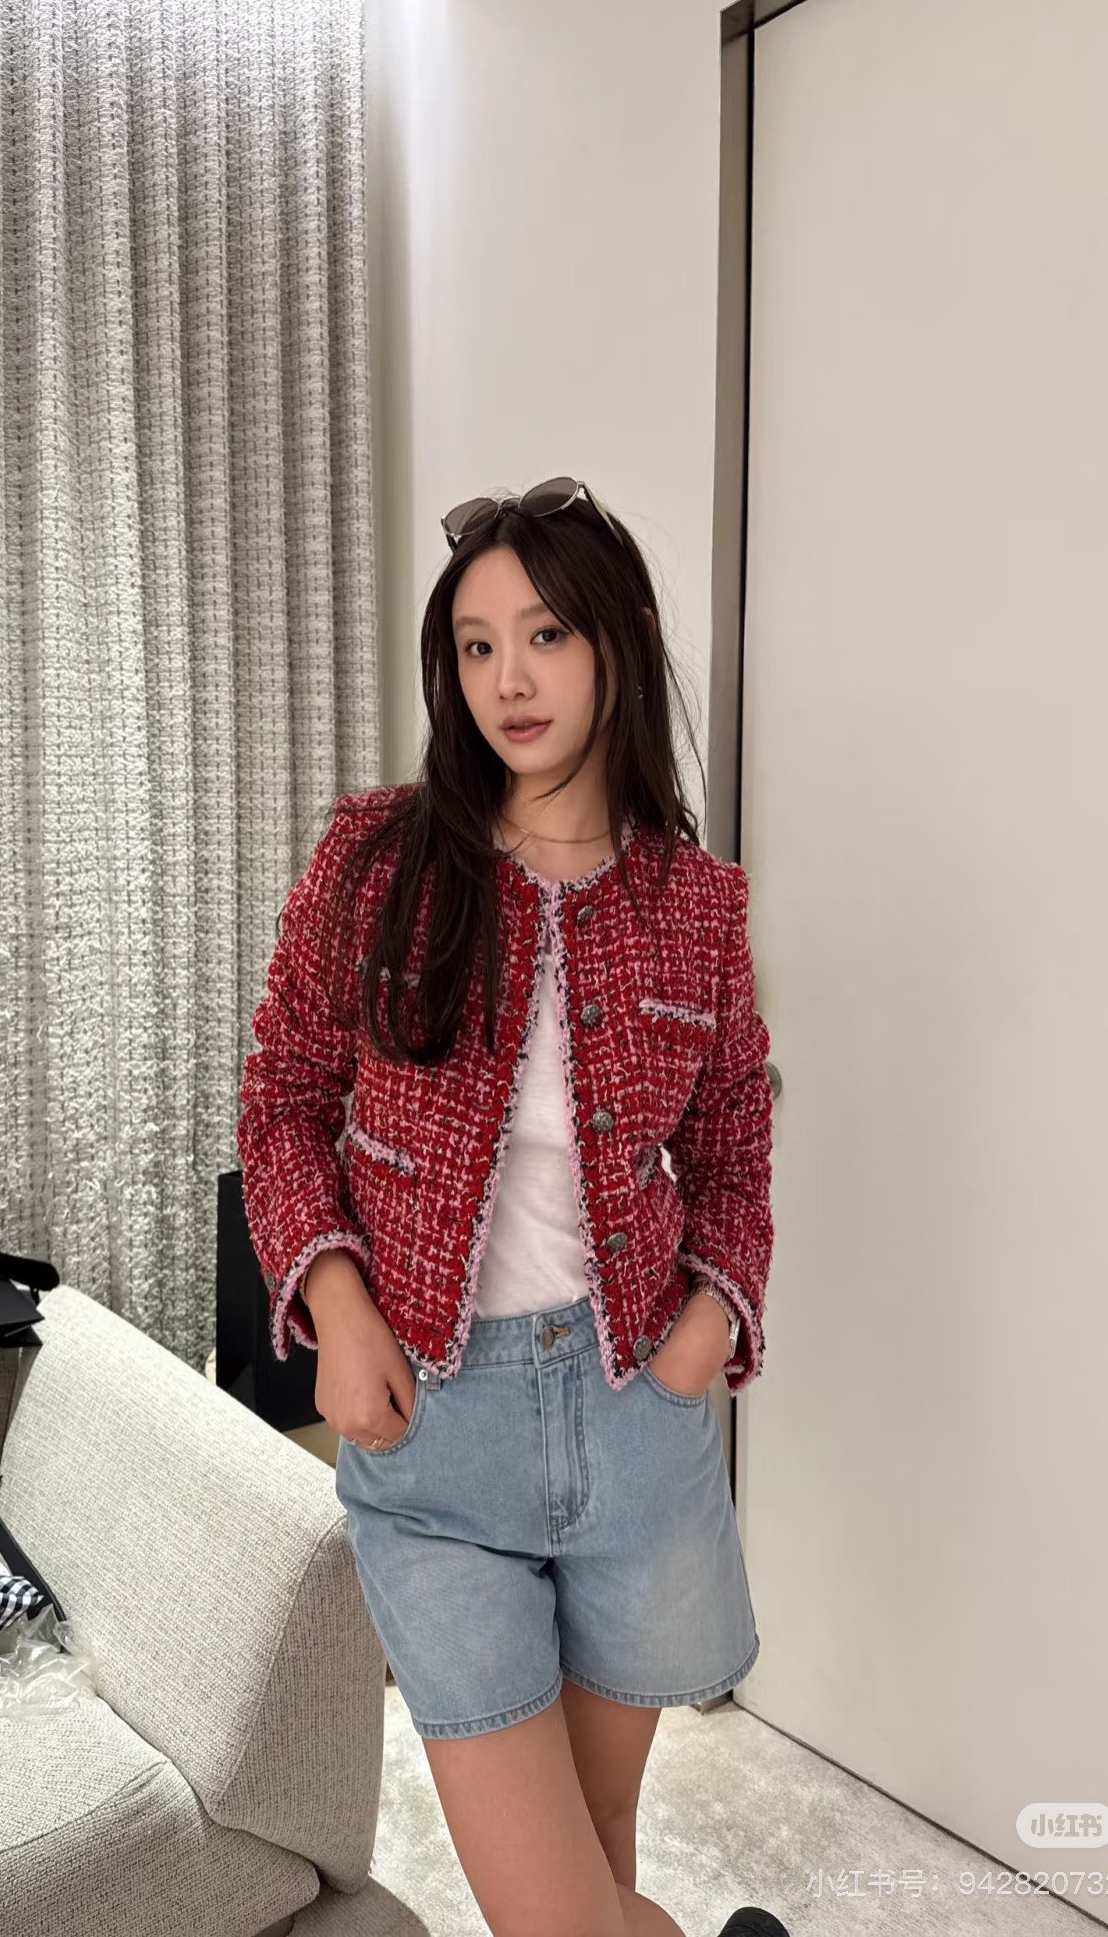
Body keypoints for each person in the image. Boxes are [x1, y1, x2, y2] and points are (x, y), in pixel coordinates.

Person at [237, 478, 788, 1937]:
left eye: (544, 634)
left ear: (618, 641)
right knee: (558, 1914)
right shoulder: (377, 861)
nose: (510, 680)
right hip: (437, 1430)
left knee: (592, 1875)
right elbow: (281, 1099)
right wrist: (337, 1304)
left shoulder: (695, 907)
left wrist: (703, 1332)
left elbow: (736, 1141)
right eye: (477, 646)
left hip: (633, 1421)